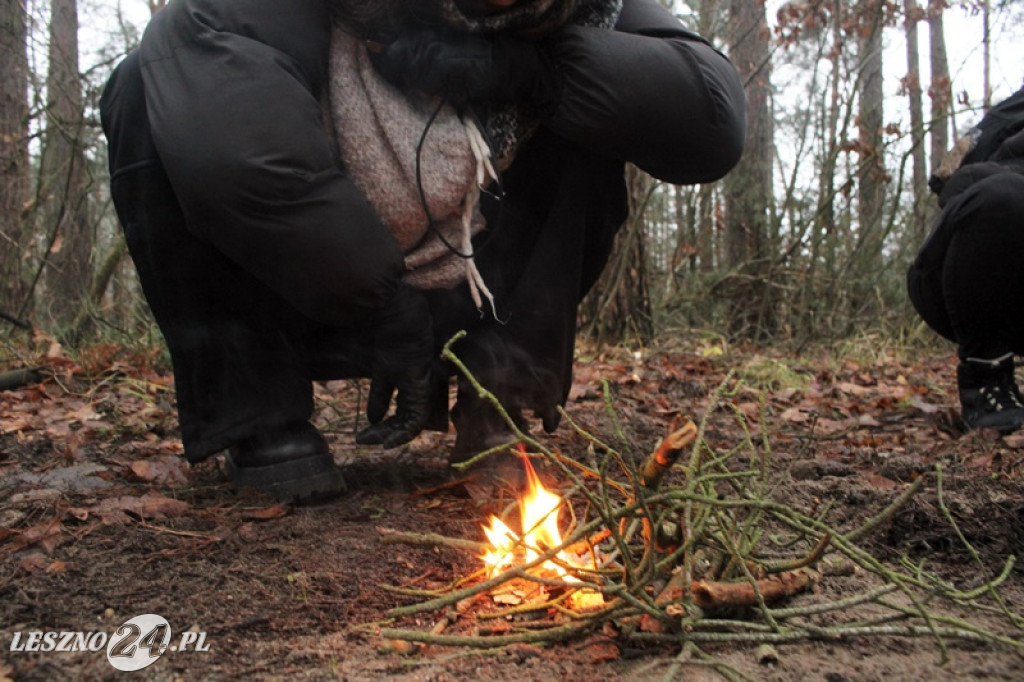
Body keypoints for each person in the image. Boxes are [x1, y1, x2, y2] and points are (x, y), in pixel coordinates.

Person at [100, 0, 746, 504]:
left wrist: (535, 72)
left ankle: (500, 392)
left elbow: (707, 120)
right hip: (302, 286)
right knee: (150, 85)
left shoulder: (582, 6)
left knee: (603, 90)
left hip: (479, 284)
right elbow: (238, 158)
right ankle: (263, 420)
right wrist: (378, 301)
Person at [908, 84, 1024, 433]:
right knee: (1002, 198)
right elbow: (952, 182)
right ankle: (986, 380)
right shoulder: (1011, 120)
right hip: (963, 270)